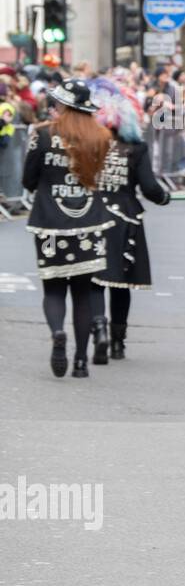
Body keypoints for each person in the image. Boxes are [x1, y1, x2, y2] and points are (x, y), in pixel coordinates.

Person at [23, 78, 113, 378]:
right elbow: (98, 175)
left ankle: (58, 333)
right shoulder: (101, 136)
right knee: (84, 294)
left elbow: (28, 180)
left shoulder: (42, 135)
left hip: (50, 222)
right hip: (89, 222)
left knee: (54, 290)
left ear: (64, 106)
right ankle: (80, 361)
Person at [88, 78, 170, 362]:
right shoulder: (136, 149)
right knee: (120, 282)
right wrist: (163, 198)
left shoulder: (93, 145)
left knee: (95, 279)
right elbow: (149, 187)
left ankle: (98, 328)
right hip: (125, 218)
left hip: (93, 214)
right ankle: (118, 343)